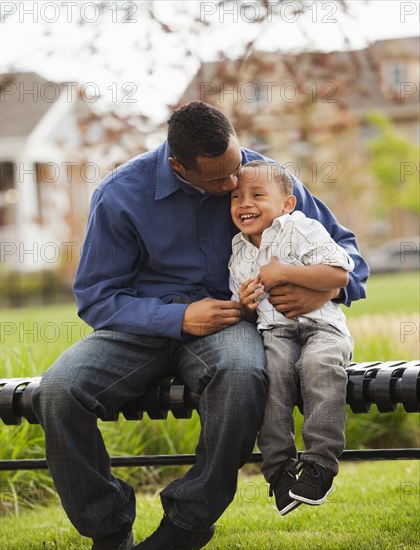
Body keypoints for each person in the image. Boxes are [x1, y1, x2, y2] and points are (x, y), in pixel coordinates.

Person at [32, 101, 369, 550]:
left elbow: (347, 253)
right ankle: (108, 530)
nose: (235, 185)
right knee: (58, 392)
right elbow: (96, 297)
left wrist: (322, 291)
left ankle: (187, 525)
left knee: (243, 374)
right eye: (220, 180)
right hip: (137, 327)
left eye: (236, 167)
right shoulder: (120, 195)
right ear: (178, 165)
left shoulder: (260, 176)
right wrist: (179, 317)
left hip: (230, 324)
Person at [229, 160, 356, 517]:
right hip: (276, 333)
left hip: (322, 328)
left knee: (319, 366)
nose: (244, 203)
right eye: (236, 197)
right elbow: (248, 310)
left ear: (286, 204)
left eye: (257, 195)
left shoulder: (302, 229)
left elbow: (339, 274)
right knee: (271, 376)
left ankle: (319, 464)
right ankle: (280, 471)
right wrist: (246, 304)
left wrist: (285, 271)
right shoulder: (238, 251)